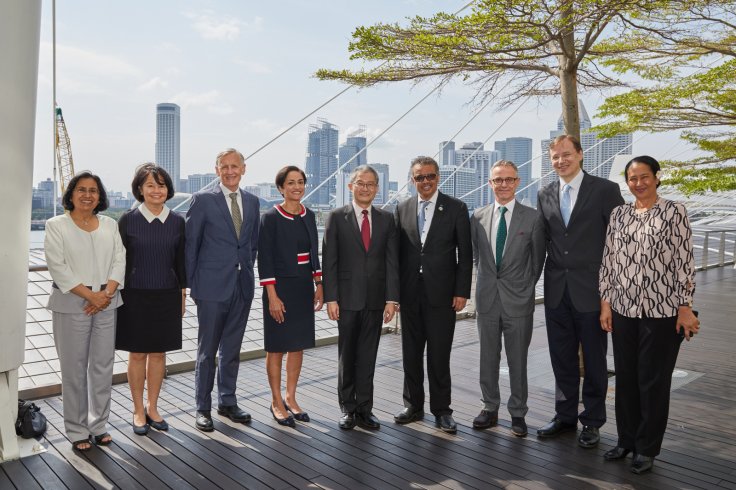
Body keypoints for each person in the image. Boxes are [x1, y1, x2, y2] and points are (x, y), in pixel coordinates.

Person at [599, 155, 698, 474]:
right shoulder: (619, 214)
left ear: (656, 177)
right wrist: (606, 303)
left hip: (663, 311)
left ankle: (647, 447)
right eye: (632, 178)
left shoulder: (674, 211)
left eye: (644, 176)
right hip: (623, 308)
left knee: (653, 381)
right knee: (626, 378)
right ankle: (626, 440)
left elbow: (684, 262)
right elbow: (609, 262)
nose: (638, 183)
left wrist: (685, 306)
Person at [536, 135, 624, 447]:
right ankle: (564, 416)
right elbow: (544, 242)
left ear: (580, 155)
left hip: (593, 291)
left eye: (566, 155)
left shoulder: (605, 190)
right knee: (561, 358)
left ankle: (593, 421)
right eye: (555, 157)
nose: (561, 161)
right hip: (556, 290)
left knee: (596, 360)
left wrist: (609, 297)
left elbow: (618, 245)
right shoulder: (544, 193)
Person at [45, 171, 125, 452]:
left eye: (93, 190)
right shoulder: (56, 225)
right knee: (74, 369)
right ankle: (77, 429)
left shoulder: (109, 224)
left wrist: (106, 294)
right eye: (81, 190)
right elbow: (58, 266)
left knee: (103, 366)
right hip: (72, 303)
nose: (88, 195)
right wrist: (91, 295)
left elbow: (119, 259)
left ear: (100, 196)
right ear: (71, 194)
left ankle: (99, 424)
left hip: (107, 300)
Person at [393, 156, 473, 434]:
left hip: (443, 295)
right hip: (410, 294)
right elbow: (396, 256)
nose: (425, 181)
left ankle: (442, 411)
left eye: (430, 176)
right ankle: (413, 405)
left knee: (439, 355)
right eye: (419, 177)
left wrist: (462, 291)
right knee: (410, 354)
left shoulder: (456, 208)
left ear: (438, 177)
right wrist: (394, 294)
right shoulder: (401, 208)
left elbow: (466, 254)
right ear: (412, 180)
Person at [185, 148, 259, 432]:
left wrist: (244, 270)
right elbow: (191, 245)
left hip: (241, 286)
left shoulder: (252, 202)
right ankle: (202, 408)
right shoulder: (203, 201)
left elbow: (251, 245)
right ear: (216, 170)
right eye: (224, 167)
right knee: (207, 351)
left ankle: (227, 401)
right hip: (211, 289)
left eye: (235, 166)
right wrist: (192, 286)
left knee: (232, 349)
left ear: (244, 169)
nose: (230, 171)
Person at [470, 160, 545, 437]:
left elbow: (538, 261)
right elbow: (478, 257)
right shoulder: (477, 216)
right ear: (490, 183)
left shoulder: (533, 217)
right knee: (487, 358)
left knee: (517, 360)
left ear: (518, 182)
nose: (503, 185)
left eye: (508, 180)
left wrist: (525, 288)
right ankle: (489, 408)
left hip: (518, 301)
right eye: (497, 180)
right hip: (487, 299)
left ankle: (518, 413)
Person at [322, 165, 399, 430]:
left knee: (368, 355)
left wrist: (392, 299)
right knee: (347, 354)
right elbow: (329, 261)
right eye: (360, 183)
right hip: (346, 299)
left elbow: (392, 262)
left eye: (371, 184)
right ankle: (347, 408)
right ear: (350, 186)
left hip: (377, 300)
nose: (365, 188)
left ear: (377, 188)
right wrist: (331, 298)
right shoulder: (336, 217)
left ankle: (365, 408)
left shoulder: (387, 219)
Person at [116, 164, 186, 435]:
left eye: (161, 185)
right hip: (134, 294)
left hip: (167, 294)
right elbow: (119, 261)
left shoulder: (178, 221)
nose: (157, 191)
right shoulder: (128, 220)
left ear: (168, 189)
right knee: (137, 354)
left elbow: (181, 263)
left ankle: (153, 406)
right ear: (140, 190)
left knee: (159, 353)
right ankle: (137, 409)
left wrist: (182, 294)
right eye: (150, 186)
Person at [257, 166, 323, 428]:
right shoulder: (270, 218)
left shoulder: (310, 215)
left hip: (303, 287)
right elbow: (265, 260)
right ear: (281, 188)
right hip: (280, 288)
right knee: (276, 346)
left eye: (301, 182)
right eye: (291, 183)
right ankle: (275, 401)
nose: (297, 187)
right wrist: (272, 296)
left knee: (297, 344)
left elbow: (314, 253)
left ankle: (291, 397)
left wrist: (319, 283)